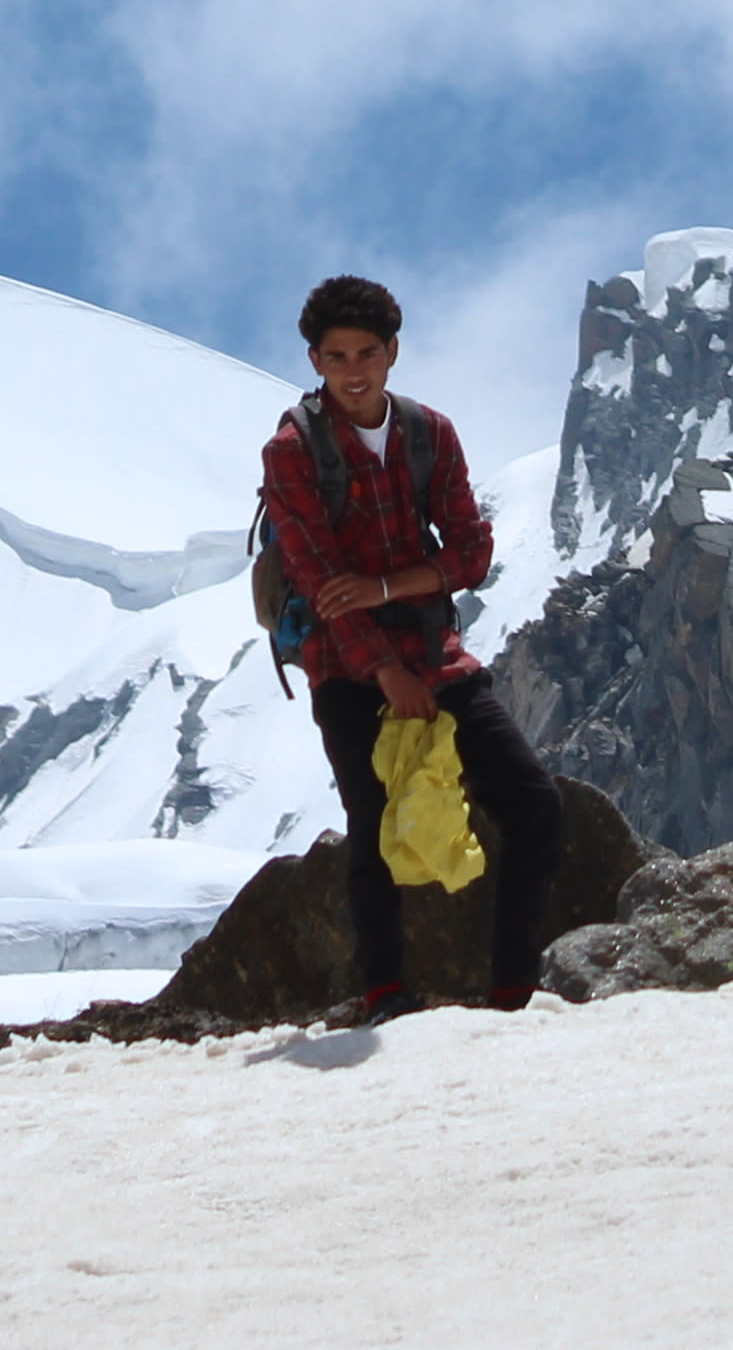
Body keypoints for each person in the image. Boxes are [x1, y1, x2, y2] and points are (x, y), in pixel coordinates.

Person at [258, 273, 567, 1017]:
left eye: (368, 352)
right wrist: (386, 666)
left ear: (393, 352)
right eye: (337, 357)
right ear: (315, 361)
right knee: (372, 824)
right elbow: (318, 577)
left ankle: (513, 992)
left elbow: (473, 551)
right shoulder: (293, 451)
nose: (354, 371)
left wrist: (387, 591)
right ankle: (388, 994)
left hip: (437, 653)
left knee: (532, 802)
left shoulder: (430, 433)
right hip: (346, 665)